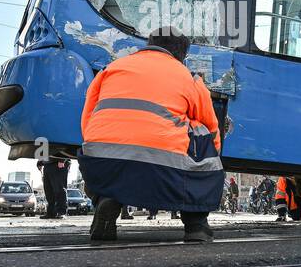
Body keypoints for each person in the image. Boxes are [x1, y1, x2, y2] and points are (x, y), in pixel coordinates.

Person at [79, 27, 223, 243]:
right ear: (182, 55)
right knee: (201, 133)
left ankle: (106, 199)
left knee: (106, 131)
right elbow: (211, 126)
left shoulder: (111, 69)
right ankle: (196, 225)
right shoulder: (189, 78)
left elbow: (87, 118)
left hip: (102, 163)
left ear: (149, 44)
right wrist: (209, 162)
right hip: (164, 167)